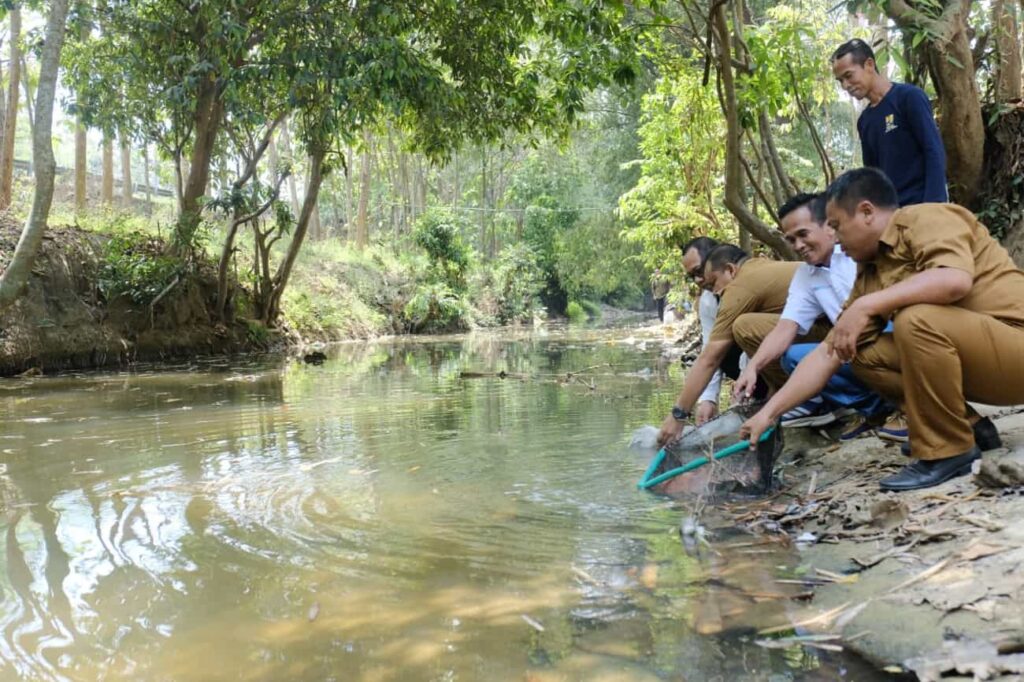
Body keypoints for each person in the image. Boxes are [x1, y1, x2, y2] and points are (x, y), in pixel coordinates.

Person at [741, 168, 1019, 492]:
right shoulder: (872, 270)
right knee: (857, 351)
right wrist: (769, 413)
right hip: (987, 367)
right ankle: (968, 428)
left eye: (836, 226)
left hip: (1015, 349)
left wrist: (866, 305)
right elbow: (828, 353)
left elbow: (953, 280)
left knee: (916, 319)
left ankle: (949, 451)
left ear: (867, 212)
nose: (836, 238)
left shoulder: (927, 218)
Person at [731, 193, 890, 434]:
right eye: (791, 239)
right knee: (793, 357)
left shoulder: (859, 253)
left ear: (829, 226)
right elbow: (786, 327)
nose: (798, 246)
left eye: (803, 234)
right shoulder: (806, 275)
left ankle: (900, 404)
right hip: (849, 349)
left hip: (888, 339)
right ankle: (873, 409)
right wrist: (753, 367)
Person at [657, 245, 798, 447]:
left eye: (711, 281)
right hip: (814, 338)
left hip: (822, 342)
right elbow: (711, 349)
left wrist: (678, 415)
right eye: (692, 276)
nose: (712, 289)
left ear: (730, 269)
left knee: (744, 326)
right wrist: (708, 399)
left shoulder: (740, 287)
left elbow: (710, 358)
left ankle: (798, 403)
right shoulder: (756, 270)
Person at [831, 38, 948, 207]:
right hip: (892, 213)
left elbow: (933, 149)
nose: (845, 85)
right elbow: (873, 176)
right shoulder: (864, 121)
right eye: (840, 80)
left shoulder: (908, 97)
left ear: (869, 65)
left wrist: (933, 204)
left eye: (848, 76)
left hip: (922, 205)